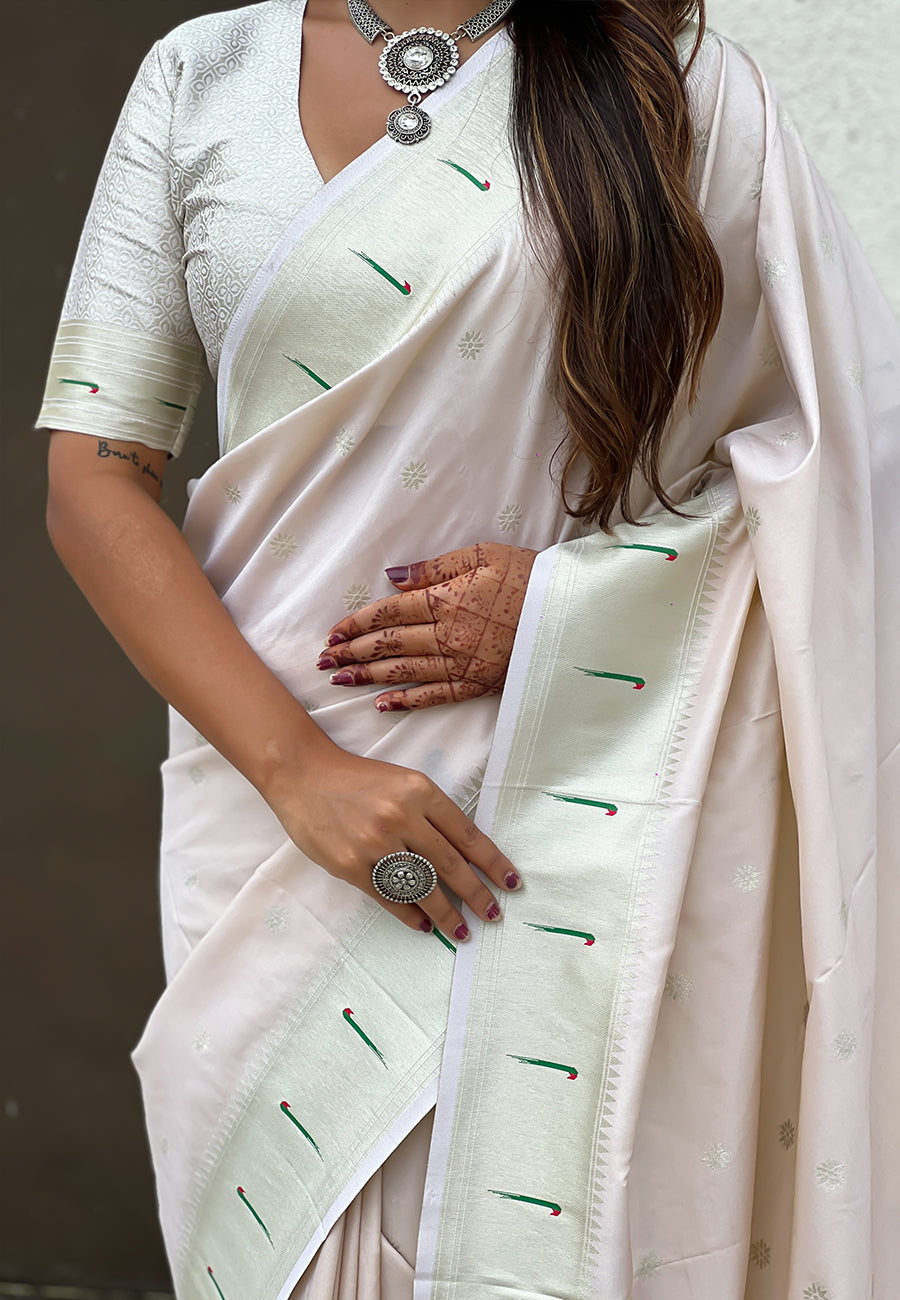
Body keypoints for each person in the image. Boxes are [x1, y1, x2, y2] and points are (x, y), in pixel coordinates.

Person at [36, 1, 900, 1297]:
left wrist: (571, 604)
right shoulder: (202, 76)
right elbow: (93, 476)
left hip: (577, 810)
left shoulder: (681, 87)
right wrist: (296, 774)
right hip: (273, 833)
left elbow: (838, 473)